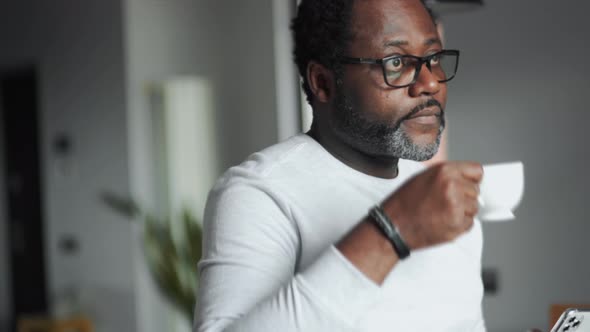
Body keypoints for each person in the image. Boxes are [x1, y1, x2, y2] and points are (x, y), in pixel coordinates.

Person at [194, 0, 485, 331]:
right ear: (323, 82)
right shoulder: (260, 194)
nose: (430, 83)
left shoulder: (438, 197)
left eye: (432, 58)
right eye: (395, 62)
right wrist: (393, 230)